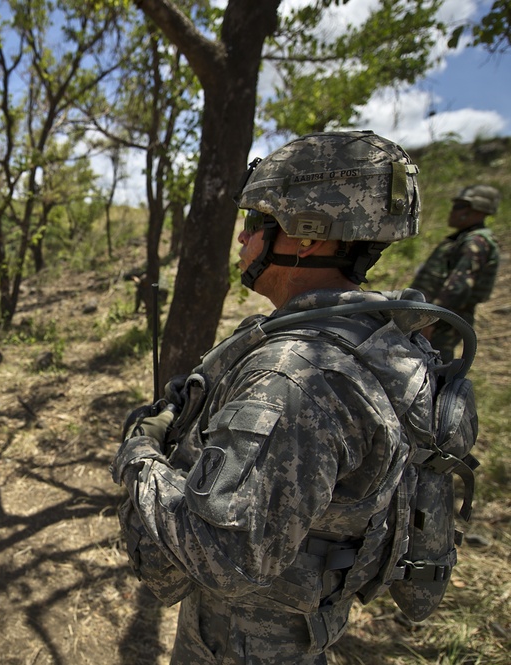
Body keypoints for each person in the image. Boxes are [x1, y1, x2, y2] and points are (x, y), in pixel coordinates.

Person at [111, 131, 451, 664]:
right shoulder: (385, 339)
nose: (243, 242)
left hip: (240, 641)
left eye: (254, 224)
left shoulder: (296, 375)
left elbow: (225, 556)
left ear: (307, 236)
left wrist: (138, 457)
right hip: (306, 624)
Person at [411, 184, 500, 362]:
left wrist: (433, 318)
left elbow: (458, 286)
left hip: (442, 322)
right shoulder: (462, 240)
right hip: (435, 317)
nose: (452, 211)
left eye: (459, 207)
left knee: (434, 367)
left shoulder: (475, 242)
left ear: (478, 211)